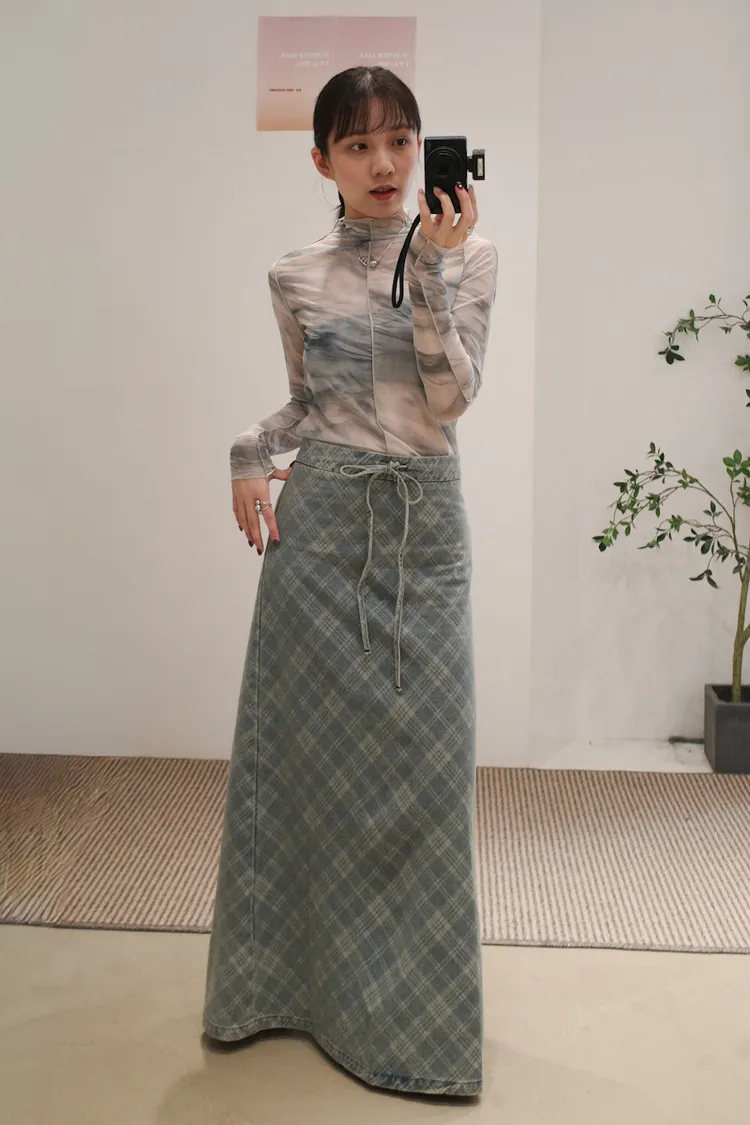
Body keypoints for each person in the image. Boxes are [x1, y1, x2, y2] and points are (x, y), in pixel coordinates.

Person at [202, 65, 498, 1099]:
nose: (384, 162)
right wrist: (248, 451)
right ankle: (284, 995)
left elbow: (450, 401)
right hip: (321, 535)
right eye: (359, 143)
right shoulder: (294, 274)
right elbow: (307, 405)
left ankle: (420, 1029)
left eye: (400, 139)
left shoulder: (472, 258)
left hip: (425, 531)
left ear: (423, 147)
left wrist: (432, 270)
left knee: (427, 781)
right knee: (299, 769)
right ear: (321, 158)